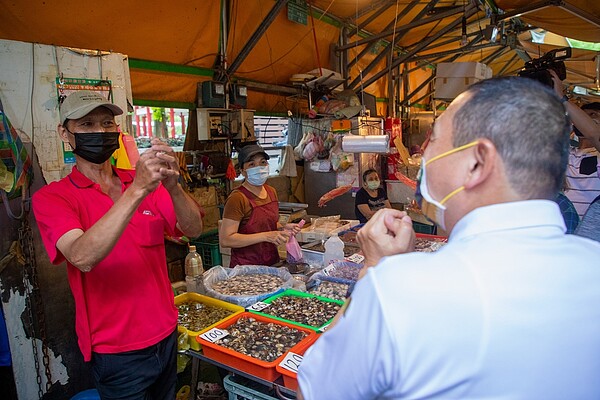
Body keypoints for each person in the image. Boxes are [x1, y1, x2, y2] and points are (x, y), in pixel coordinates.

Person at [297, 77, 600, 399]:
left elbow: (314, 392)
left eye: (434, 141)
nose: (424, 155)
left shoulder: (400, 290)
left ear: (476, 162)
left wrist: (375, 268)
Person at [32, 90, 204, 399]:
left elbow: (192, 229)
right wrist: (137, 190)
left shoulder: (141, 183)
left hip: (166, 335)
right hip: (117, 352)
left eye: (107, 123)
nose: (99, 131)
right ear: (64, 133)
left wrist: (174, 187)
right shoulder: (53, 197)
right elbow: (82, 256)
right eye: (86, 124)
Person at [220, 143, 300, 267]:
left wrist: (282, 227)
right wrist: (266, 236)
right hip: (246, 268)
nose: (259, 167)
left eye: (263, 162)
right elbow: (226, 239)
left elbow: (264, 224)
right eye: (252, 164)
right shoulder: (237, 198)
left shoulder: (271, 191)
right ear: (243, 171)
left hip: (272, 263)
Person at [551, 71, 600, 218]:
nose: (585, 120)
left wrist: (562, 98)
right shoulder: (566, 153)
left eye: (594, 115)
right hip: (567, 231)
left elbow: (594, 134)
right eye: (583, 116)